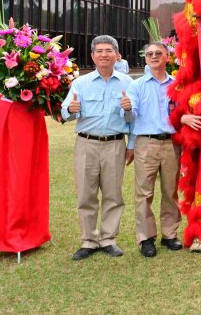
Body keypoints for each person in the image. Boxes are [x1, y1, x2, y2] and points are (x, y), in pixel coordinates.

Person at [61, 35, 133, 261]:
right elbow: (64, 113)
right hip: (86, 144)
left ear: (117, 55)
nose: (104, 54)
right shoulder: (80, 83)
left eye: (108, 51)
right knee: (86, 194)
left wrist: (129, 110)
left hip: (114, 144)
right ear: (92, 56)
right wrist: (71, 109)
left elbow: (133, 118)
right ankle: (89, 240)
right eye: (99, 50)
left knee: (113, 194)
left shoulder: (128, 83)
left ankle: (108, 239)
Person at [123, 43, 182, 257]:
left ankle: (170, 234)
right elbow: (131, 116)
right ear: (145, 59)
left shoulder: (177, 84)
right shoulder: (136, 86)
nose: (154, 56)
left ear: (167, 57)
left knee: (171, 190)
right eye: (150, 54)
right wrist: (127, 108)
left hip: (171, 143)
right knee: (144, 192)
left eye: (159, 53)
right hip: (145, 143)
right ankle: (146, 238)